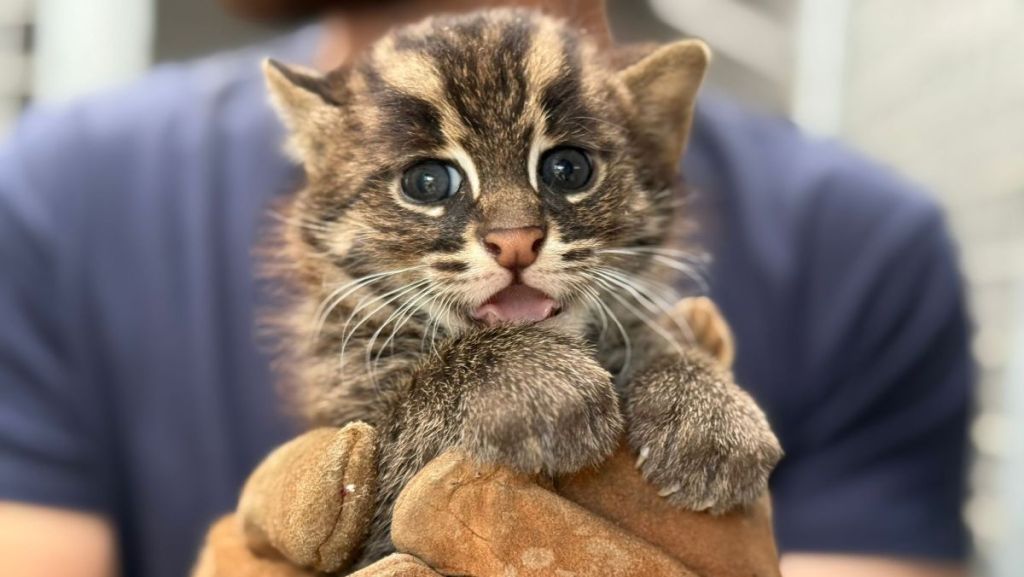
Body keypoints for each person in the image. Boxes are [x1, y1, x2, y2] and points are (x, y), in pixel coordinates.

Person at [0, 0, 972, 576]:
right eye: (429, 183)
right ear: (315, 156)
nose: (512, 238)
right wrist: (469, 376)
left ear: (655, 143)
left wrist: (675, 384)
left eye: (568, 170)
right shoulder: (50, 192)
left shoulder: (867, 245)